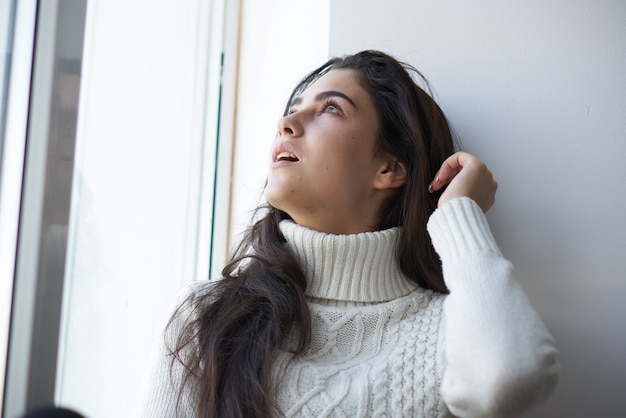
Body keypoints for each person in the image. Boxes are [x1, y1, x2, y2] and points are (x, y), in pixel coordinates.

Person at [139, 50, 559, 418]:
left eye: (330, 109)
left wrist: (460, 214)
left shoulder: (448, 331)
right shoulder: (208, 315)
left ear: (389, 168)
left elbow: (510, 378)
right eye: (293, 107)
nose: (287, 122)